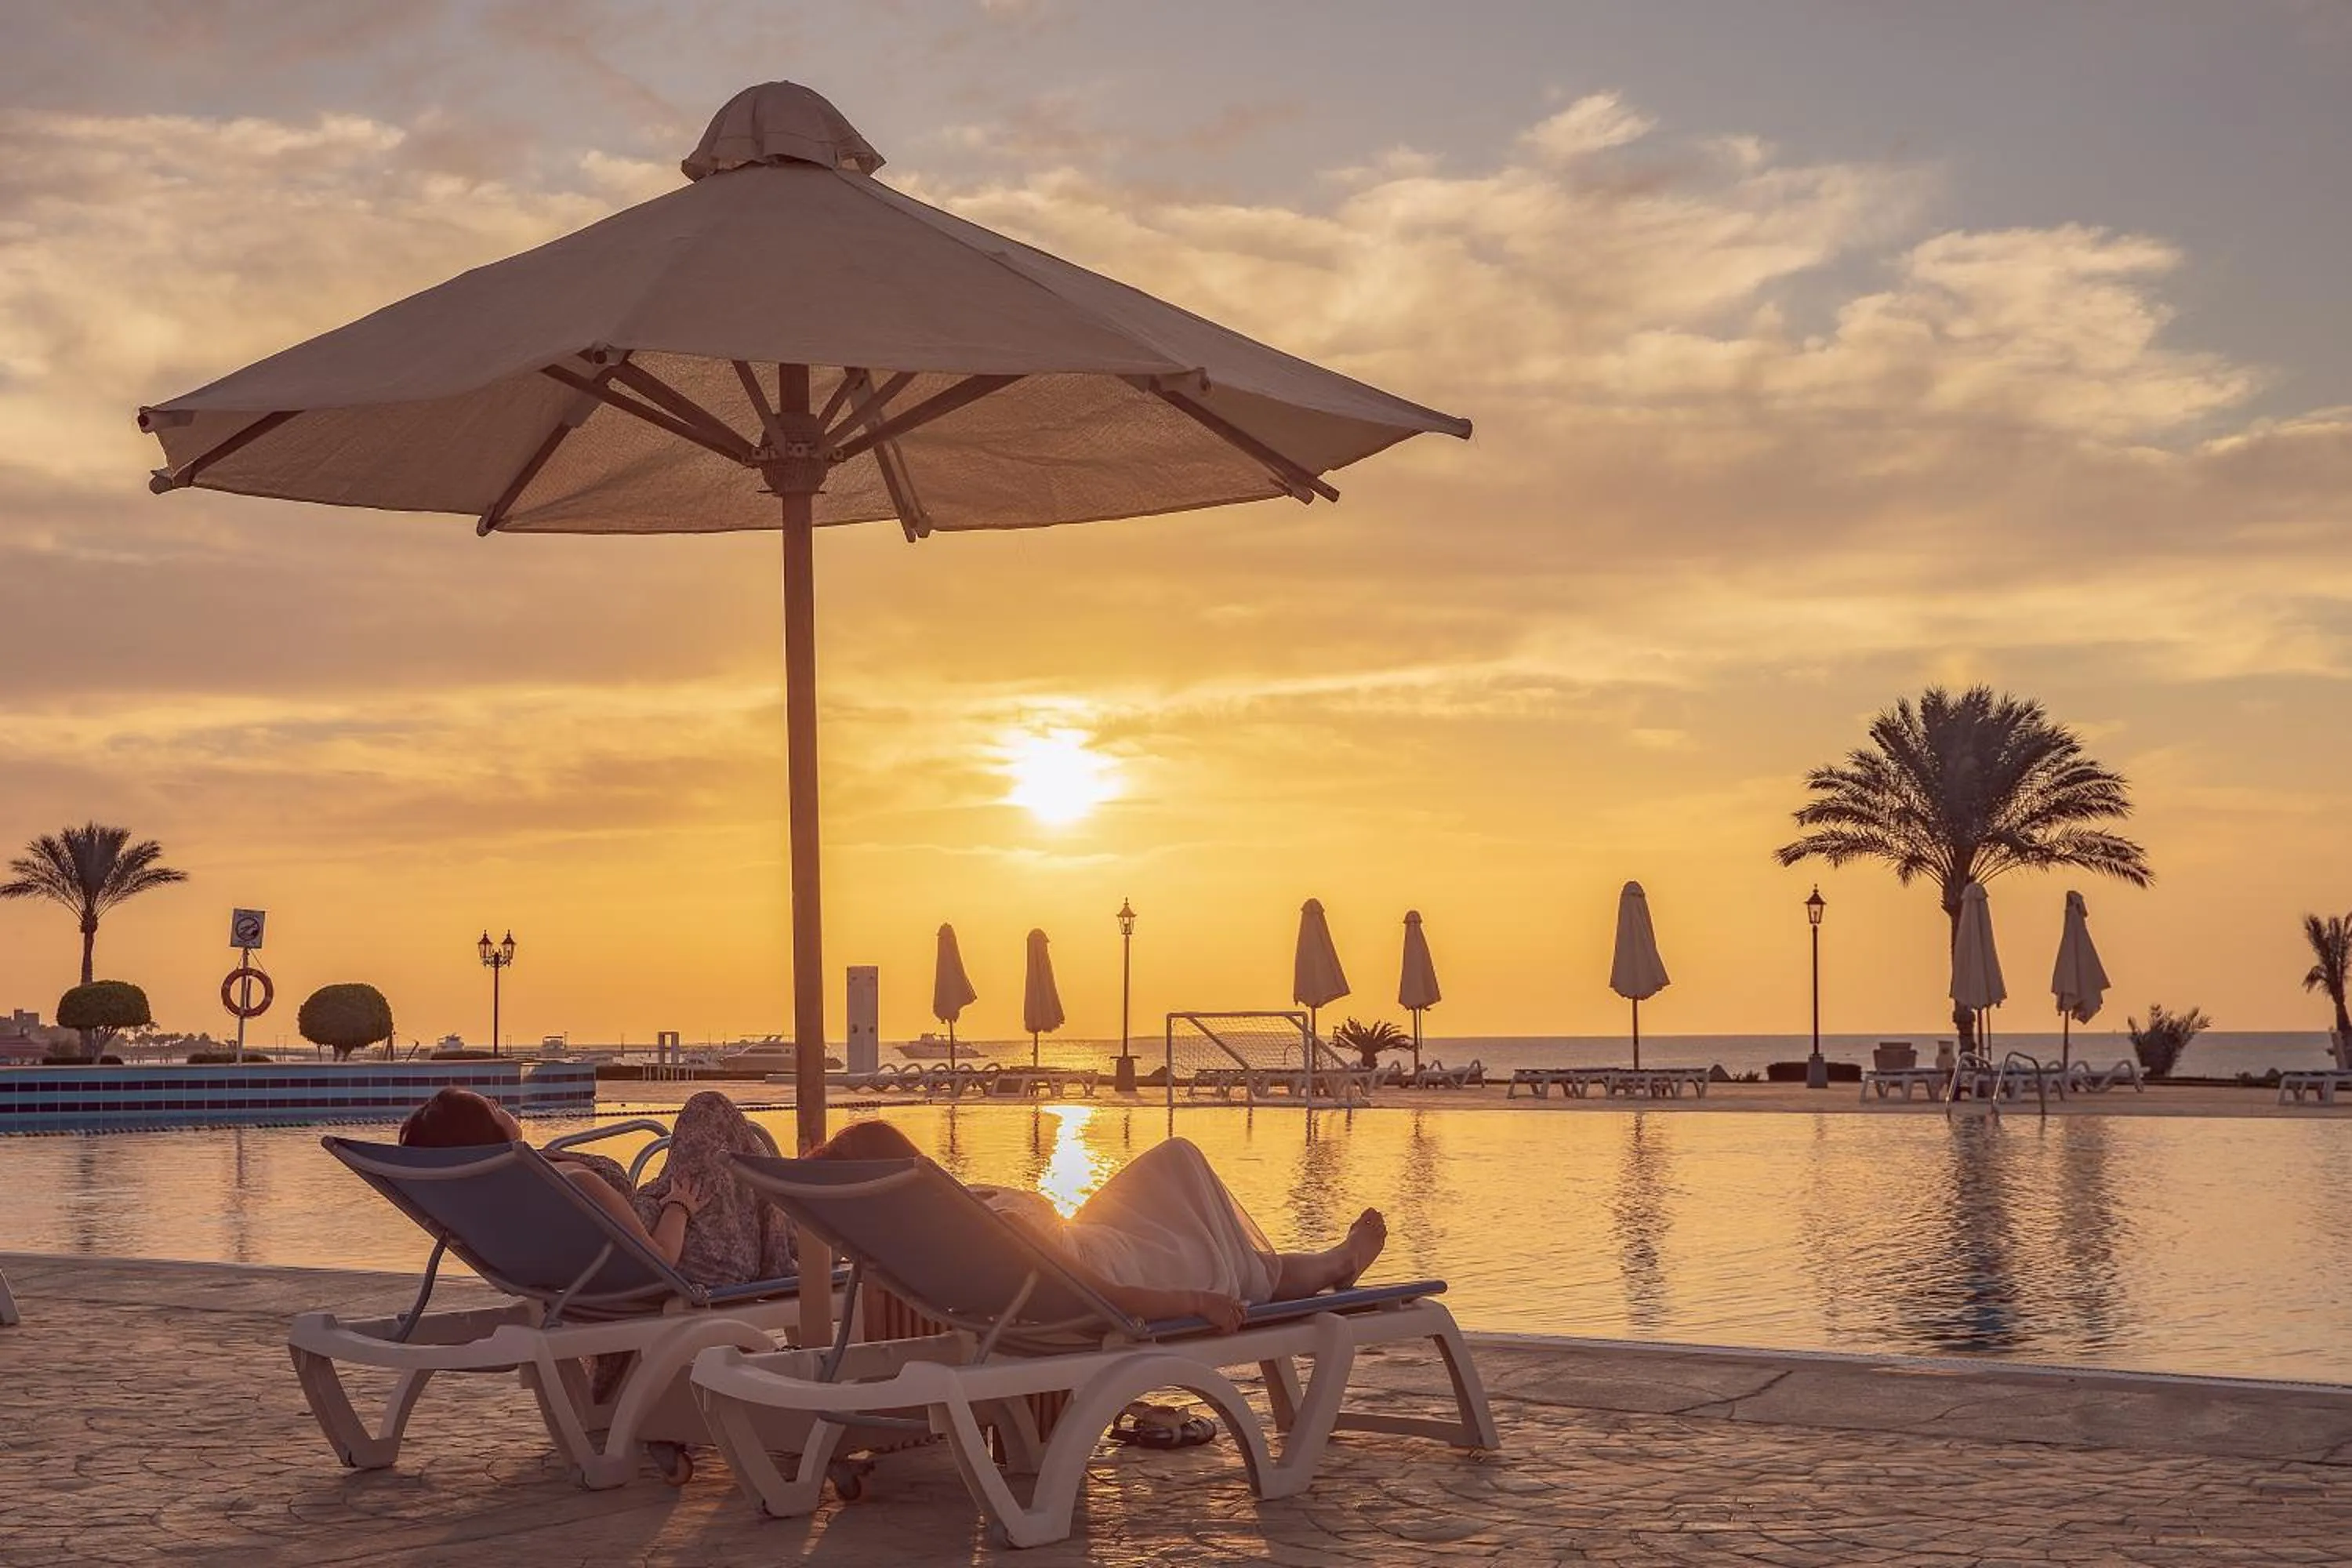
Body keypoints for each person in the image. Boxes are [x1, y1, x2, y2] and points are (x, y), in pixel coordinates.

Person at [808, 1120, 1387, 1334]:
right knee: (1238, 1260)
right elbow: (1101, 1295)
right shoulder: (990, 1222)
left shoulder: (926, 1234)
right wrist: (1195, 1301)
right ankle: (1338, 1263)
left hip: (1096, 1243)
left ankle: (1328, 1260)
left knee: (1175, 1168)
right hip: (1126, 1270)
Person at [398, 1087, 792, 1288]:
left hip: (618, 1267)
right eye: (490, 1106)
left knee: (722, 1135)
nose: (498, 1100)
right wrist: (679, 1206)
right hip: (704, 1259)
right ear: (481, 1134)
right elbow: (659, 1260)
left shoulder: (503, 1192)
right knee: (709, 1107)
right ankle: (787, 1249)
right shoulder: (573, 1183)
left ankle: (788, 1239)